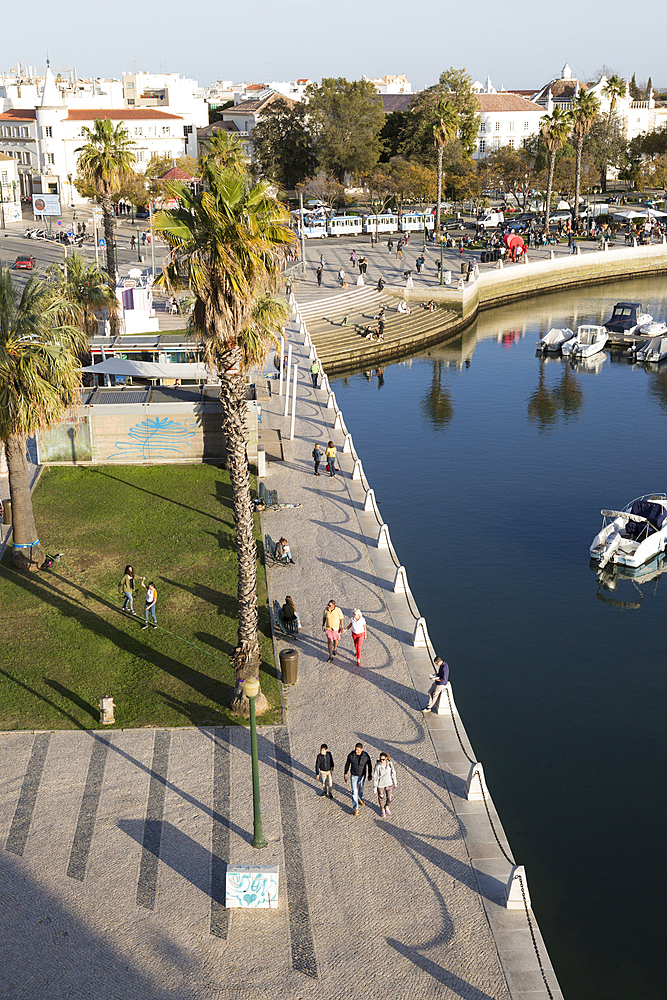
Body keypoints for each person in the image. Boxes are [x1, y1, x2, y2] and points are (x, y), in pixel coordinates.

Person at [344, 742, 372, 816]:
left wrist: (370, 775)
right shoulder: (351, 755)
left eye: (358, 750)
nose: (356, 751)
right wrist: (345, 773)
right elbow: (347, 764)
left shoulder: (366, 756)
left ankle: (359, 798)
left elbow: (369, 765)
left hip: (362, 776)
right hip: (353, 776)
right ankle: (355, 808)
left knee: (361, 788)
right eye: (356, 749)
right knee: (354, 791)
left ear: (362, 749)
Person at [373, 752, 397, 818]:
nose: (382, 761)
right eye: (381, 759)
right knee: (381, 797)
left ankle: (386, 806)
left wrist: (395, 782)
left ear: (386, 758)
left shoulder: (390, 764)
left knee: (389, 797)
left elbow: (393, 773)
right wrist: (375, 789)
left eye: (383, 759)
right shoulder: (378, 766)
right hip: (381, 784)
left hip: (389, 783)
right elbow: (376, 777)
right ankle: (382, 810)